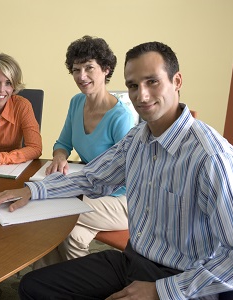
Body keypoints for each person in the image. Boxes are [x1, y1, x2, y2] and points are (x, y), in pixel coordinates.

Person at [0, 41, 233, 299]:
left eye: (152, 82)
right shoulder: (137, 138)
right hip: (133, 261)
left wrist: (161, 291)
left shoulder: (211, 156)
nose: (142, 95)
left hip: (182, 280)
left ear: (177, 81)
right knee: (33, 286)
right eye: (133, 86)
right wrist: (32, 190)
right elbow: (93, 177)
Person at [33, 36, 134, 268]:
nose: (81, 76)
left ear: (106, 70)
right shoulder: (77, 102)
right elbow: (62, 143)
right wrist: (59, 156)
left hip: (121, 200)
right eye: (76, 69)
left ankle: (63, 284)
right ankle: (55, 284)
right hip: (91, 190)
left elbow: (128, 175)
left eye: (89, 68)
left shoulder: (121, 117)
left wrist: (80, 186)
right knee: (72, 236)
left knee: (47, 209)